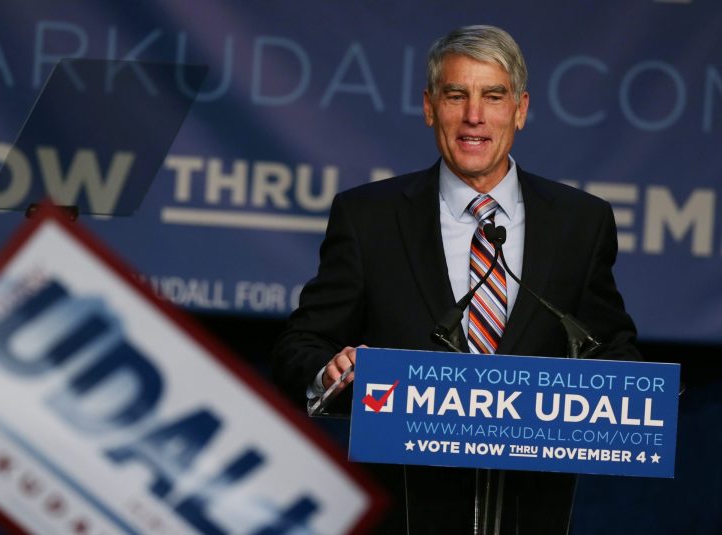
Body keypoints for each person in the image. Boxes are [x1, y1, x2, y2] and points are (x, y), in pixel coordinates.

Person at [272, 25, 639, 534]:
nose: (474, 116)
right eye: (456, 95)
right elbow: (300, 345)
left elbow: (611, 346)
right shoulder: (369, 218)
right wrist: (328, 370)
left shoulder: (581, 223)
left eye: (494, 96)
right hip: (404, 512)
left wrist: (632, 390)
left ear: (520, 110)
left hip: (528, 514)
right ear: (430, 107)